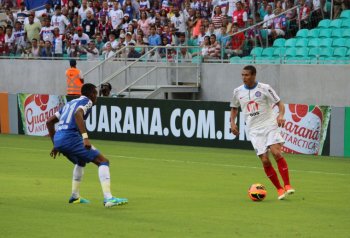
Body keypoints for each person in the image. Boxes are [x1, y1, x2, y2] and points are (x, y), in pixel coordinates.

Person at [46, 83, 127, 207]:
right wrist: (85, 138)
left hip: (60, 138)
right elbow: (78, 114)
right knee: (103, 161)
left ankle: (75, 196)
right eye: (95, 94)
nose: (96, 97)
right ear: (91, 94)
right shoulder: (87, 102)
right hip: (70, 137)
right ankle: (108, 198)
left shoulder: (69, 103)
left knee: (81, 161)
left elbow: (49, 122)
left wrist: (56, 144)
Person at [230, 65, 295, 200]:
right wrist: (232, 123)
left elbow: (279, 103)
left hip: (269, 124)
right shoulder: (237, 91)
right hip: (254, 130)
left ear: (254, 75)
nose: (244, 78)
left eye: (246, 75)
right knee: (265, 160)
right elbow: (234, 108)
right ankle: (279, 189)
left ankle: (287, 185)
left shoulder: (265, 88)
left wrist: (281, 116)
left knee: (276, 152)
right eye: (242, 75)